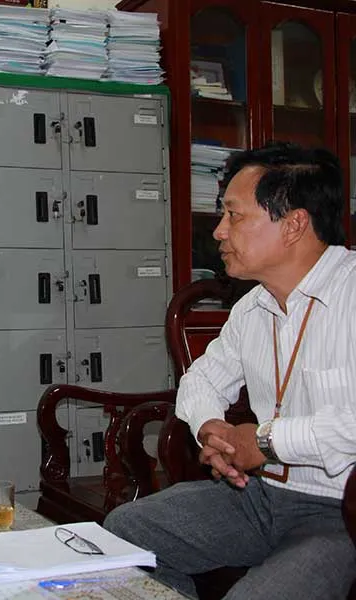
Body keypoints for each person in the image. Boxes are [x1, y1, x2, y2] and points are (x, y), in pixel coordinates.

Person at [104, 143, 356, 599]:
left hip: (341, 514)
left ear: (294, 224)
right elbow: (201, 379)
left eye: (234, 215)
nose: (219, 231)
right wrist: (211, 428)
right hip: (259, 498)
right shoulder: (252, 307)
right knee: (125, 532)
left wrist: (266, 441)